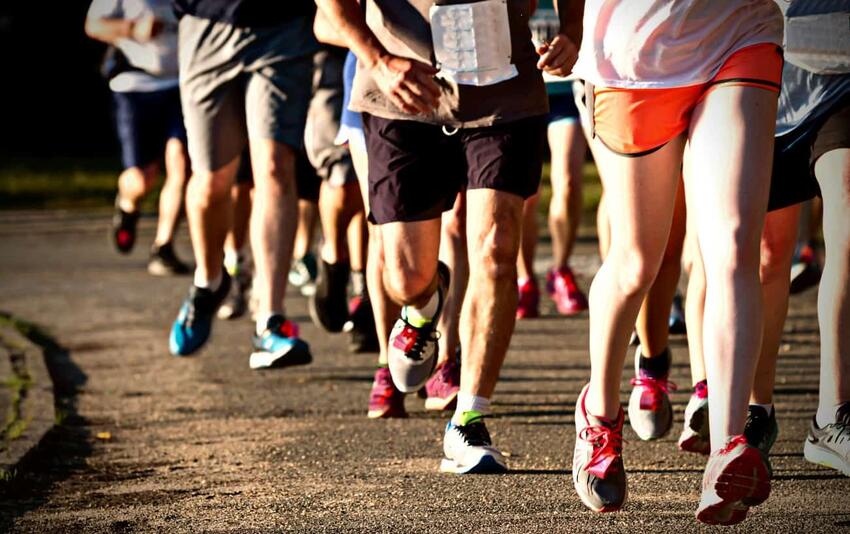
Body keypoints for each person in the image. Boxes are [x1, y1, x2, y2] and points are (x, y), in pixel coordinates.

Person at [317, 0, 573, 473]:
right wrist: (376, 59)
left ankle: (469, 418)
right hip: (403, 92)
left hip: (506, 90)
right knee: (406, 278)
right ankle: (422, 306)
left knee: (496, 250)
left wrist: (572, 29)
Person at [570, 0, 783, 524]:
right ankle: (598, 413)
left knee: (735, 243)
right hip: (632, 57)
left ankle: (727, 448)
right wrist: (565, 24)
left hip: (740, 35)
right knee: (638, 263)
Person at [683, 0, 850, 478]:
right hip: (763, 70)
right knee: (765, 256)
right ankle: (757, 409)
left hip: (841, 82)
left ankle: (833, 414)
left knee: (846, 220)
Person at [167, 0, 317, 371]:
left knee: (274, 165)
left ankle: (270, 319)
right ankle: (209, 281)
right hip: (207, 23)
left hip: (283, 26)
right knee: (211, 182)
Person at [85, 0, 190, 276]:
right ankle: (127, 203)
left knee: (181, 163)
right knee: (142, 178)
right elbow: (93, 25)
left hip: (181, 84)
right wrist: (133, 28)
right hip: (135, 84)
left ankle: (163, 246)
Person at [518, 1, 589, 319]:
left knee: (570, 180)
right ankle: (524, 278)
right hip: (521, 92)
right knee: (525, 195)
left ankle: (560, 269)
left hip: (565, 93)